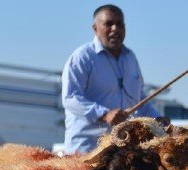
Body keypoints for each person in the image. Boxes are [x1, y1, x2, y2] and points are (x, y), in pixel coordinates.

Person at [62, 4, 161, 154]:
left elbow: (139, 98)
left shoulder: (130, 58)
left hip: (123, 150)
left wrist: (156, 119)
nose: (115, 28)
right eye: (109, 24)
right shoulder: (82, 57)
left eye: (120, 24)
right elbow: (70, 98)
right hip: (87, 151)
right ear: (95, 28)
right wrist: (104, 114)